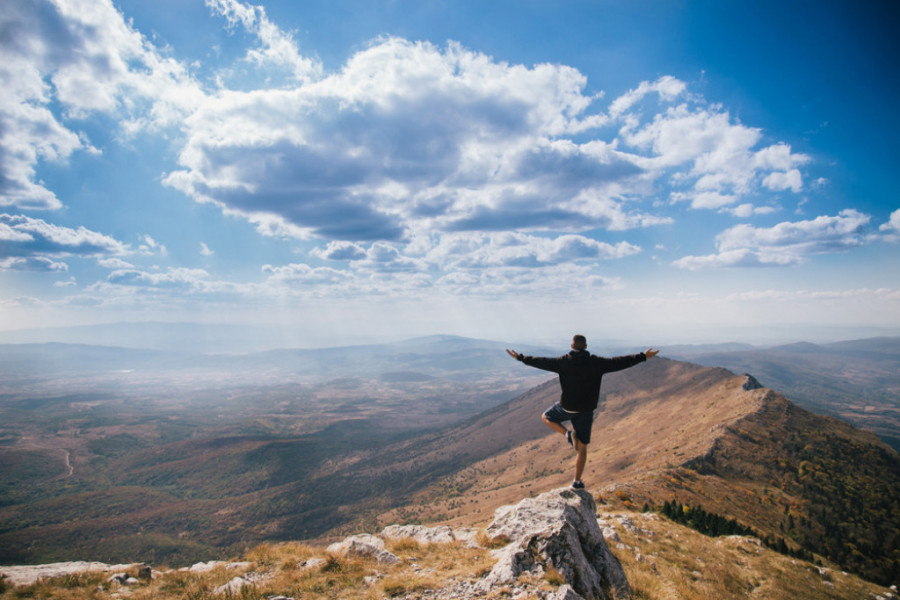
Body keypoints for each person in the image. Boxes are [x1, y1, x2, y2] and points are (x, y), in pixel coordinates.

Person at [506, 335, 659, 489]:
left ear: (572, 347)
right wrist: (643, 356)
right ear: (586, 347)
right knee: (583, 448)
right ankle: (577, 482)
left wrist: (520, 357)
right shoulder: (596, 363)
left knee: (546, 416)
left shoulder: (562, 362)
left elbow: (541, 362)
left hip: (567, 407)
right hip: (586, 409)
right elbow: (619, 362)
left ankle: (567, 434)